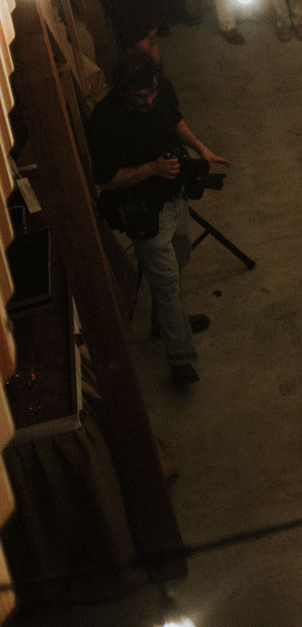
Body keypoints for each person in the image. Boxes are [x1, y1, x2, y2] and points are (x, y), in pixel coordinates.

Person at [86, 51, 227, 388]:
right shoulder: (106, 119)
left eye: (151, 92)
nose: (148, 99)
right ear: (122, 90)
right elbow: (104, 180)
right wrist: (152, 169)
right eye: (140, 96)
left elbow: (173, 119)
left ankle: (164, 320)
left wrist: (201, 148)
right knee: (164, 284)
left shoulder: (160, 88)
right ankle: (181, 359)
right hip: (142, 210)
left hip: (174, 198)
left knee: (181, 257)